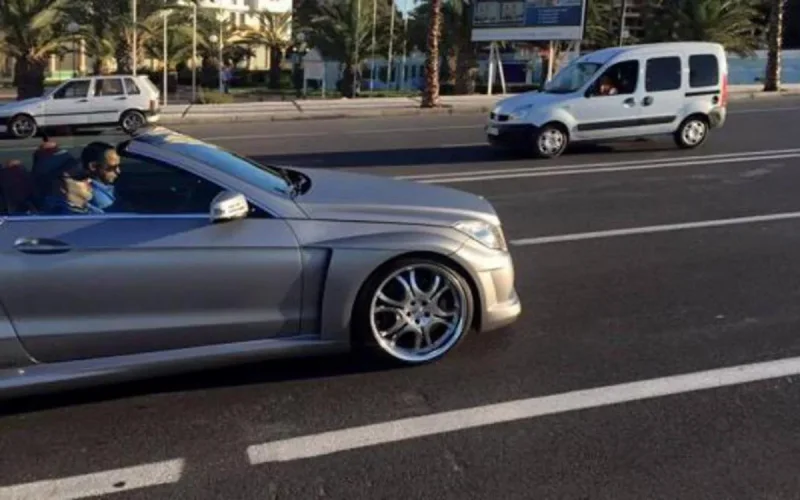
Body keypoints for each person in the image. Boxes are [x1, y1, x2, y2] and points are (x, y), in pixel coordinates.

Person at [81, 141, 121, 211]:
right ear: (93, 166)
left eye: (119, 166)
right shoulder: (98, 198)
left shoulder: (102, 188)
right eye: (112, 168)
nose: (118, 171)